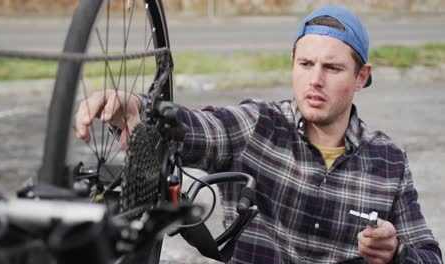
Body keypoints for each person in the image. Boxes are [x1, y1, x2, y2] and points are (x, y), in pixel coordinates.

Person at [75, 6, 442, 264]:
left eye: (332, 68)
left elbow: (429, 256)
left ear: (361, 77)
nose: (315, 80)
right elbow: (198, 128)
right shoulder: (259, 125)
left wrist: (397, 254)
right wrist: (141, 111)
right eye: (305, 64)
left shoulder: (388, 160)